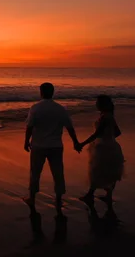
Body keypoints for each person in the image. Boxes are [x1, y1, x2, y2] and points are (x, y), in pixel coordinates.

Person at [24, 82, 81, 213]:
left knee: (35, 172)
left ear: (41, 92)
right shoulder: (60, 109)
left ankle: (32, 197)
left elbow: (30, 127)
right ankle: (59, 198)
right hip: (56, 145)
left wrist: (26, 141)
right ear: (53, 92)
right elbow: (70, 127)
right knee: (58, 172)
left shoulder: (36, 108)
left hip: (39, 145)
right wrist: (75, 142)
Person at [77, 95, 125, 208]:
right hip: (112, 146)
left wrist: (82, 144)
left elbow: (96, 134)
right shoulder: (109, 116)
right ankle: (108, 195)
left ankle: (90, 194)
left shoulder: (105, 117)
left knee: (97, 170)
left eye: (97, 102)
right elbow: (118, 132)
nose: (96, 104)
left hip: (103, 147)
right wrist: (109, 137)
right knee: (110, 171)